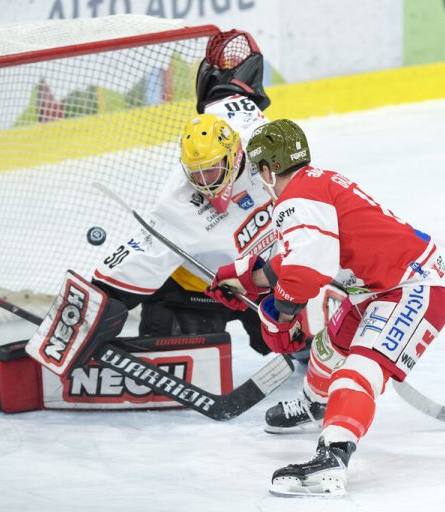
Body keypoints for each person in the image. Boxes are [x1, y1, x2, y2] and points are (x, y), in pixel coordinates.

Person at [206, 119, 445, 496]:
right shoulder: (314, 183)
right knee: (327, 350)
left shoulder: (296, 199)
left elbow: (309, 267)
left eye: (259, 171)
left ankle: (332, 459)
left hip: (412, 287)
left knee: (356, 371)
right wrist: (243, 279)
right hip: (373, 288)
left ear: (268, 170)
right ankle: (314, 405)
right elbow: (292, 261)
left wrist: (281, 313)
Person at [92, 30, 312, 355]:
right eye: (196, 172)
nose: (205, 181)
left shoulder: (263, 146)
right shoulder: (175, 207)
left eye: (211, 169)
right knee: (169, 359)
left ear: (235, 155)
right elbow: (119, 277)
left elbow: (234, 89)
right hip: (197, 293)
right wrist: (82, 316)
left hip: (263, 282)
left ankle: (305, 340)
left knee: (293, 345)